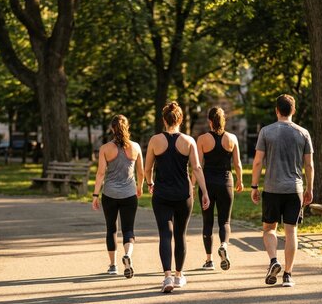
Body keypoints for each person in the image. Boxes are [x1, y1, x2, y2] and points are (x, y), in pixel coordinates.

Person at [145, 101, 210, 293]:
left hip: (162, 193)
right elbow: (197, 168)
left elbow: (148, 168)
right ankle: (179, 275)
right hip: (184, 193)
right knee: (180, 235)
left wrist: (150, 183)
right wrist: (205, 192)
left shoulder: (155, 140)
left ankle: (167, 277)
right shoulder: (188, 141)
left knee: (165, 234)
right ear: (180, 119)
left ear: (164, 120)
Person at [251, 94, 314, 287]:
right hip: (294, 188)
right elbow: (309, 165)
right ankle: (288, 275)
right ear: (293, 110)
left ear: (277, 110)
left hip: (272, 188)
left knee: (269, 229)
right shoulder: (303, 133)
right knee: (291, 231)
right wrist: (310, 188)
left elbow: (258, 161)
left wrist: (254, 186)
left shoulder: (266, 132)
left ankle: (273, 261)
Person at [92, 115, 144, 278]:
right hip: (129, 194)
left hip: (110, 194)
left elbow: (101, 173)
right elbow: (141, 172)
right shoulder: (135, 147)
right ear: (126, 127)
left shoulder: (105, 148)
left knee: (111, 229)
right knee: (128, 229)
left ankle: (113, 265)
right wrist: (140, 187)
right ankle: (127, 255)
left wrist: (95, 195)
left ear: (112, 129)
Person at [196, 107, 243, 271]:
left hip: (207, 185)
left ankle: (209, 261)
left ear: (209, 121)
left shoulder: (202, 139)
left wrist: (193, 183)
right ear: (224, 121)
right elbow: (237, 164)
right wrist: (240, 180)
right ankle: (224, 244)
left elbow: (198, 165)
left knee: (207, 221)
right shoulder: (232, 138)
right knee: (224, 221)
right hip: (226, 183)